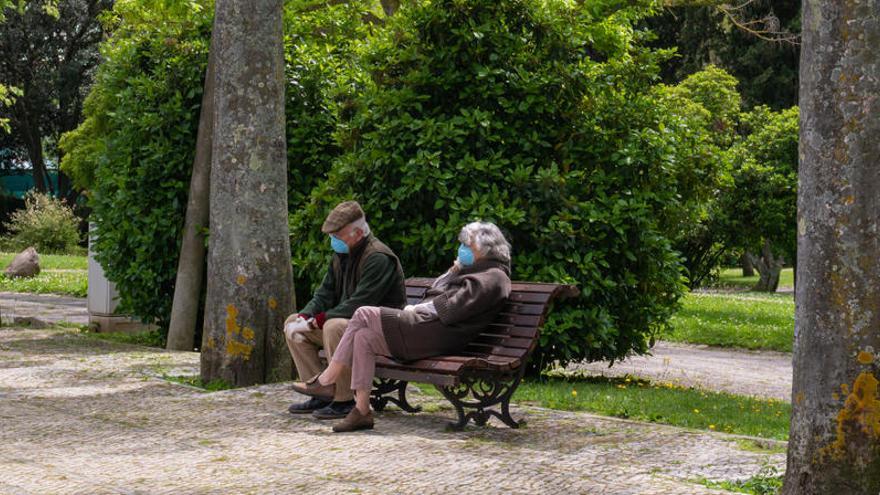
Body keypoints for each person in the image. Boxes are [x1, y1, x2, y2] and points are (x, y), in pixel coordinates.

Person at [292, 221, 512, 432]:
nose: (461, 249)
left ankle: (327, 379)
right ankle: (361, 411)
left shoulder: (493, 276)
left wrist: (415, 310)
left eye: (467, 245)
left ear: (485, 249)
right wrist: (453, 271)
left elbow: (452, 308)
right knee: (364, 338)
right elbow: (438, 292)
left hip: (435, 333)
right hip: (428, 331)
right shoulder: (474, 271)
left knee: (363, 313)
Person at [284, 200, 406, 419]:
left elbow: (360, 304)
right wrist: (305, 316)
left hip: (379, 333)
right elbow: (325, 293)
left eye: (338, 236)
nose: (333, 241)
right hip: (350, 327)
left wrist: (320, 319)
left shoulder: (378, 257)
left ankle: (344, 399)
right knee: (293, 323)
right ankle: (321, 392)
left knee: (334, 326)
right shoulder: (342, 255)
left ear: (358, 233)